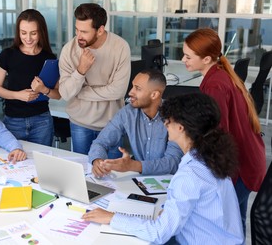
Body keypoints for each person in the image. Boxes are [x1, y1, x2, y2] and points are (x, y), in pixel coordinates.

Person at [82, 93, 244, 244]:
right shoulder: (209, 157)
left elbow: (159, 233)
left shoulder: (189, 175)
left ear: (180, 128)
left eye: (168, 120)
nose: (165, 123)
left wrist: (112, 218)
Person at [182, 28, 266, 236]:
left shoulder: (215, 85)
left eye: (188, 56)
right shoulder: (219, 74)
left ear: (207, 58)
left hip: (240, 166)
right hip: (247, 159)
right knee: (235, 223)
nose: (183, 59)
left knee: (219, 225)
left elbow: (218, 133)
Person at [59, 3, 131, 156]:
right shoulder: (69, 50)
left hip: (112, 124)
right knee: (83, 174)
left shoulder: (120, 47)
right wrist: (80, 71)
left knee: (112, 176)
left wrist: (79, 92)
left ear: (100, 30)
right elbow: (65, 93)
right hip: (80, 123)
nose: (78, 36)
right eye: (77, 30)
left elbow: (118, 91)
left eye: (84, 31)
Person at [88, 69, 183, 177]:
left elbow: (172, 163)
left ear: (154, 95)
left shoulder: (174, 116)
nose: (130, 92)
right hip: (139, 180)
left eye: (137, 88)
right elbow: (101, 141)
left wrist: (133, 166)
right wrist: (97, 161)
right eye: (133, 86)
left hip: (169, 182)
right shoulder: (128, 112)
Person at [0, 9, 60, 147]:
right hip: (13, 121)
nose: (28, 38)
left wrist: (44, 89)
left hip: (42, 121)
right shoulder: (8, 55)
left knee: (42, 164)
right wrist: (18, 95)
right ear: (18, 32)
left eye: (33, 33)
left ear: (41, 32)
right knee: (14, 164)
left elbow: (57, 95)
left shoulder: (49, 59)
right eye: (23, 33)